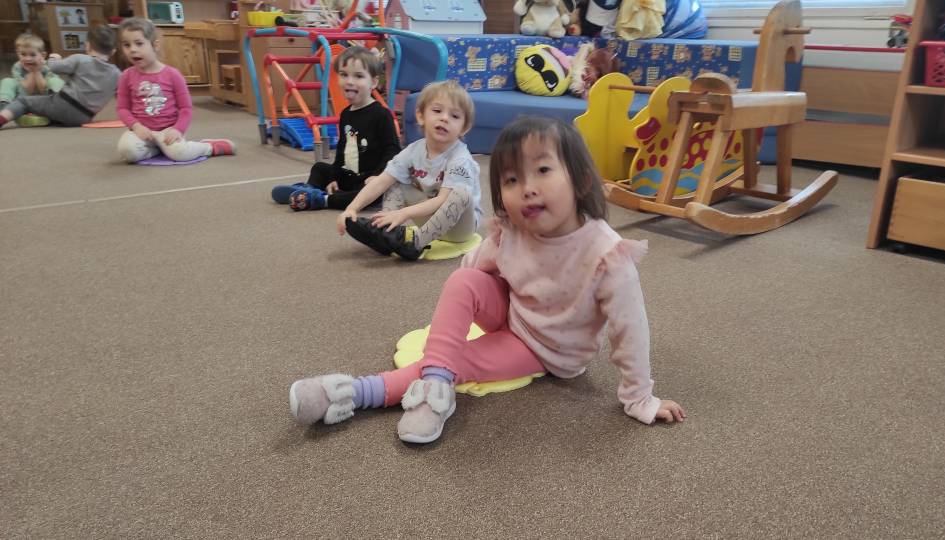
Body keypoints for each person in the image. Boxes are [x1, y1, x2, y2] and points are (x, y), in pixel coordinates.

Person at [289, 116, 685, 444]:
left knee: (461, 359)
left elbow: (631, 330)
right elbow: (470, 274)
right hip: (511, 314)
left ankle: (353, 392)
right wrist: (453, 328)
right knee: (463, 282)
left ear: (580, 180)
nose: (527, 189)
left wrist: (640, 398)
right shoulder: (511, 232)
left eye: (543, 170)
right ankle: (437, 383)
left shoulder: (607, 255)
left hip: (547, 350)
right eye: (511, 180)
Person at [336, 79, 481, 261]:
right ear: (421, 116)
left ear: (464, 128)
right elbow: (382, 181)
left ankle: (417, 243)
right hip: (429, 219)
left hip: (459, 229)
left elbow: (443, 200)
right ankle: (386, 230)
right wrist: (352, 208)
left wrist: (403, 213)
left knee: (461, 193)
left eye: (455, 116)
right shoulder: (413, 151)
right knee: (394, 179)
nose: (445, 118)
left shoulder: (460, 158)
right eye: (437, 111)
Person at [271, 46, 400, 212]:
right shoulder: (346, 114)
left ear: (373, 82)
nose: (349, 81)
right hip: (346, 176)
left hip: (368, 180)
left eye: (358, 76)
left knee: (371, 195)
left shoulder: (381, 114)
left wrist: (378, 176)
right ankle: (309, 189)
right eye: (344, 74)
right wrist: (333, 178)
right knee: (319, 167)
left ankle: (323, 200)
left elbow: (392, 150)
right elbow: (341, 150)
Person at [115, 18, 235, 163]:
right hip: (141, 132)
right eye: (126, 45)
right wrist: (136, 127)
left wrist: (178, 129)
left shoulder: (173, 75)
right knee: (127, 151)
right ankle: (159, 149)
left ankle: (208, 146)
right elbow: (122, 108)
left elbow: (186, 108)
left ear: (155, 45)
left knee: (180, 154)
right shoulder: (126, 76)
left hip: (168, 130)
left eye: (139, 43)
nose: (132, 49)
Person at [0, 26, 118, 128]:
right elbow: (123, 96)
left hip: (62, 105)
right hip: (84, 117)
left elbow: (54, 67)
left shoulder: (80, 59)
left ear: (88, 46)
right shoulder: (117, 74)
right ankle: (47, 119)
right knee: (50, 106)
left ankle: (2, 118)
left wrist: (54, 58)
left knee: (23, 101)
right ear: (113, 51)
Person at [0, 33, 66, 121]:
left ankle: (61, 105)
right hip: (24, 99)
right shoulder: (17, 67)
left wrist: (37, 71)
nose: (28, 58)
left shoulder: (49, 66)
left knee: (55, 80)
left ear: (43, 55)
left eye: (32, 55)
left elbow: (43, 89)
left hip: (47, 99)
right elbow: (28, 90)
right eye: (23, 54)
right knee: (8, 81)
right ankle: (5, 107)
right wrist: (32, 71)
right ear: (18, 54)